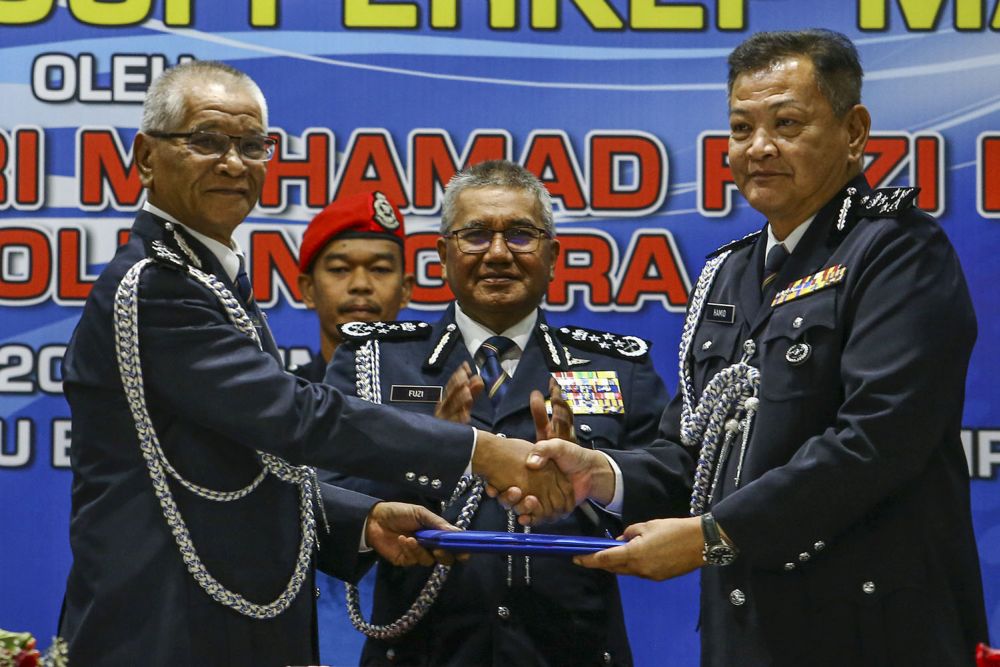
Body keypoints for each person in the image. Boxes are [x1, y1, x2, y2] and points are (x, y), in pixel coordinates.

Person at [59, 61, 573, 667]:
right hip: (165, 629)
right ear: (146, 156)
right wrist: (477, 450)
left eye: (252, 145)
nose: (233, 163)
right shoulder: (156, 285)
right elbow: (293, 415)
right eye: (206, 141)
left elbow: (240, 471)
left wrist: (365, 520)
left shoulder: (208, 276)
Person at [530, 29, 990, 666]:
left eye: (788, 123)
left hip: (874, 634)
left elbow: (877, 441)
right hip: (749, 637)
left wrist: (715, 536)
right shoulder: (729, 272)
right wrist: (602, 475)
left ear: (854, 132)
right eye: (742, 128)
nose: (760, 148)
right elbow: (694, 450)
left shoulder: (897, 251)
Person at [324, 160, 674, 666]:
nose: (497, 253)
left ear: (553, 256)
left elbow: (674, 491)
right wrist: (429, 456)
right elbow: (325, 501)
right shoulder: (373, 362)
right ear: (443, 254)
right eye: (475, 235)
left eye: (520, 235)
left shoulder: (615, 367)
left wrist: (594, 476)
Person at [291, 190, 414, 381]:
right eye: (340, 269)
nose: (361, 284)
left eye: (380, 269)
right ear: (308, 290)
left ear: (405, 290)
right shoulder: (284, 400)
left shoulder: (438, 399)